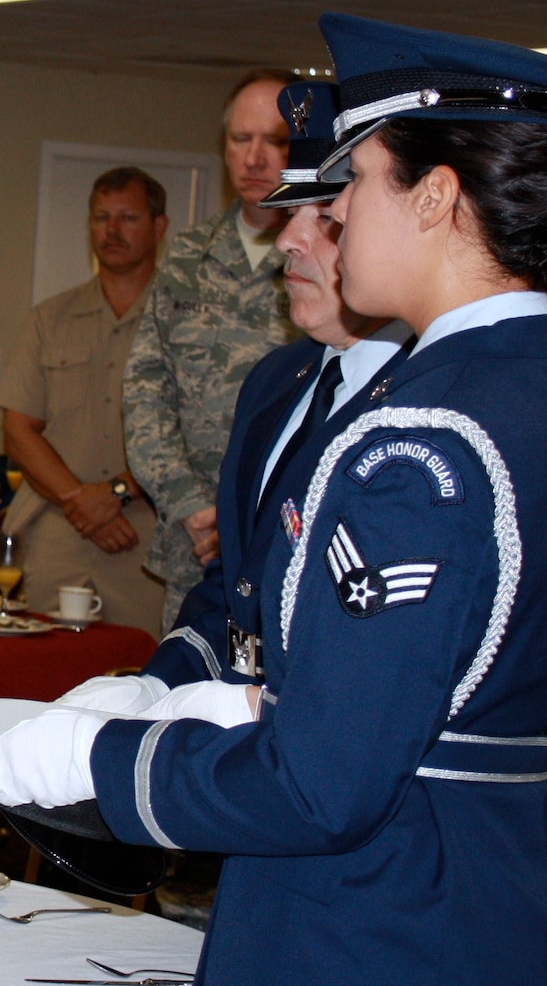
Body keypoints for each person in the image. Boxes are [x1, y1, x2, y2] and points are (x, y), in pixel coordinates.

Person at [0, 17, 547, 986]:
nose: (316, 218)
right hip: (514, 953)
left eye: (355, 178)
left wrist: (100, 766)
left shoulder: (420, 442)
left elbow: (321, 778)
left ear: (437, 199)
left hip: (370, 969)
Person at [144, 82, 412, 690]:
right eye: (290, 214)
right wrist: (153, 688)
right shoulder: (275, 381)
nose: (288, 241)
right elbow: (239, 583)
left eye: (326, 220)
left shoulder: (421, 398)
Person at [124, 67, 300, 627]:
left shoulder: (334, 256)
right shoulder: (187, 257)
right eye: (240, 139)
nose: (254, 159)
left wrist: (245, 520)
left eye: (276, 141)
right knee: (181, 699)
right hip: (192, 545)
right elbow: (146, 392)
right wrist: (195, 509)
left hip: (288, 541)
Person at [0, 167, 170, 637]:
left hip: (148, 535)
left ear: (159, 227)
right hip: (57, 530)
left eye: (128, 218)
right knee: (44, 676)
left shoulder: (183, 326)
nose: (111, 231)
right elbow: (18, 429)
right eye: (100, 218)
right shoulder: (48, 319)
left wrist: (115, 494)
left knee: (142, 677)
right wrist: (83, 504)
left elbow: (199, 434)